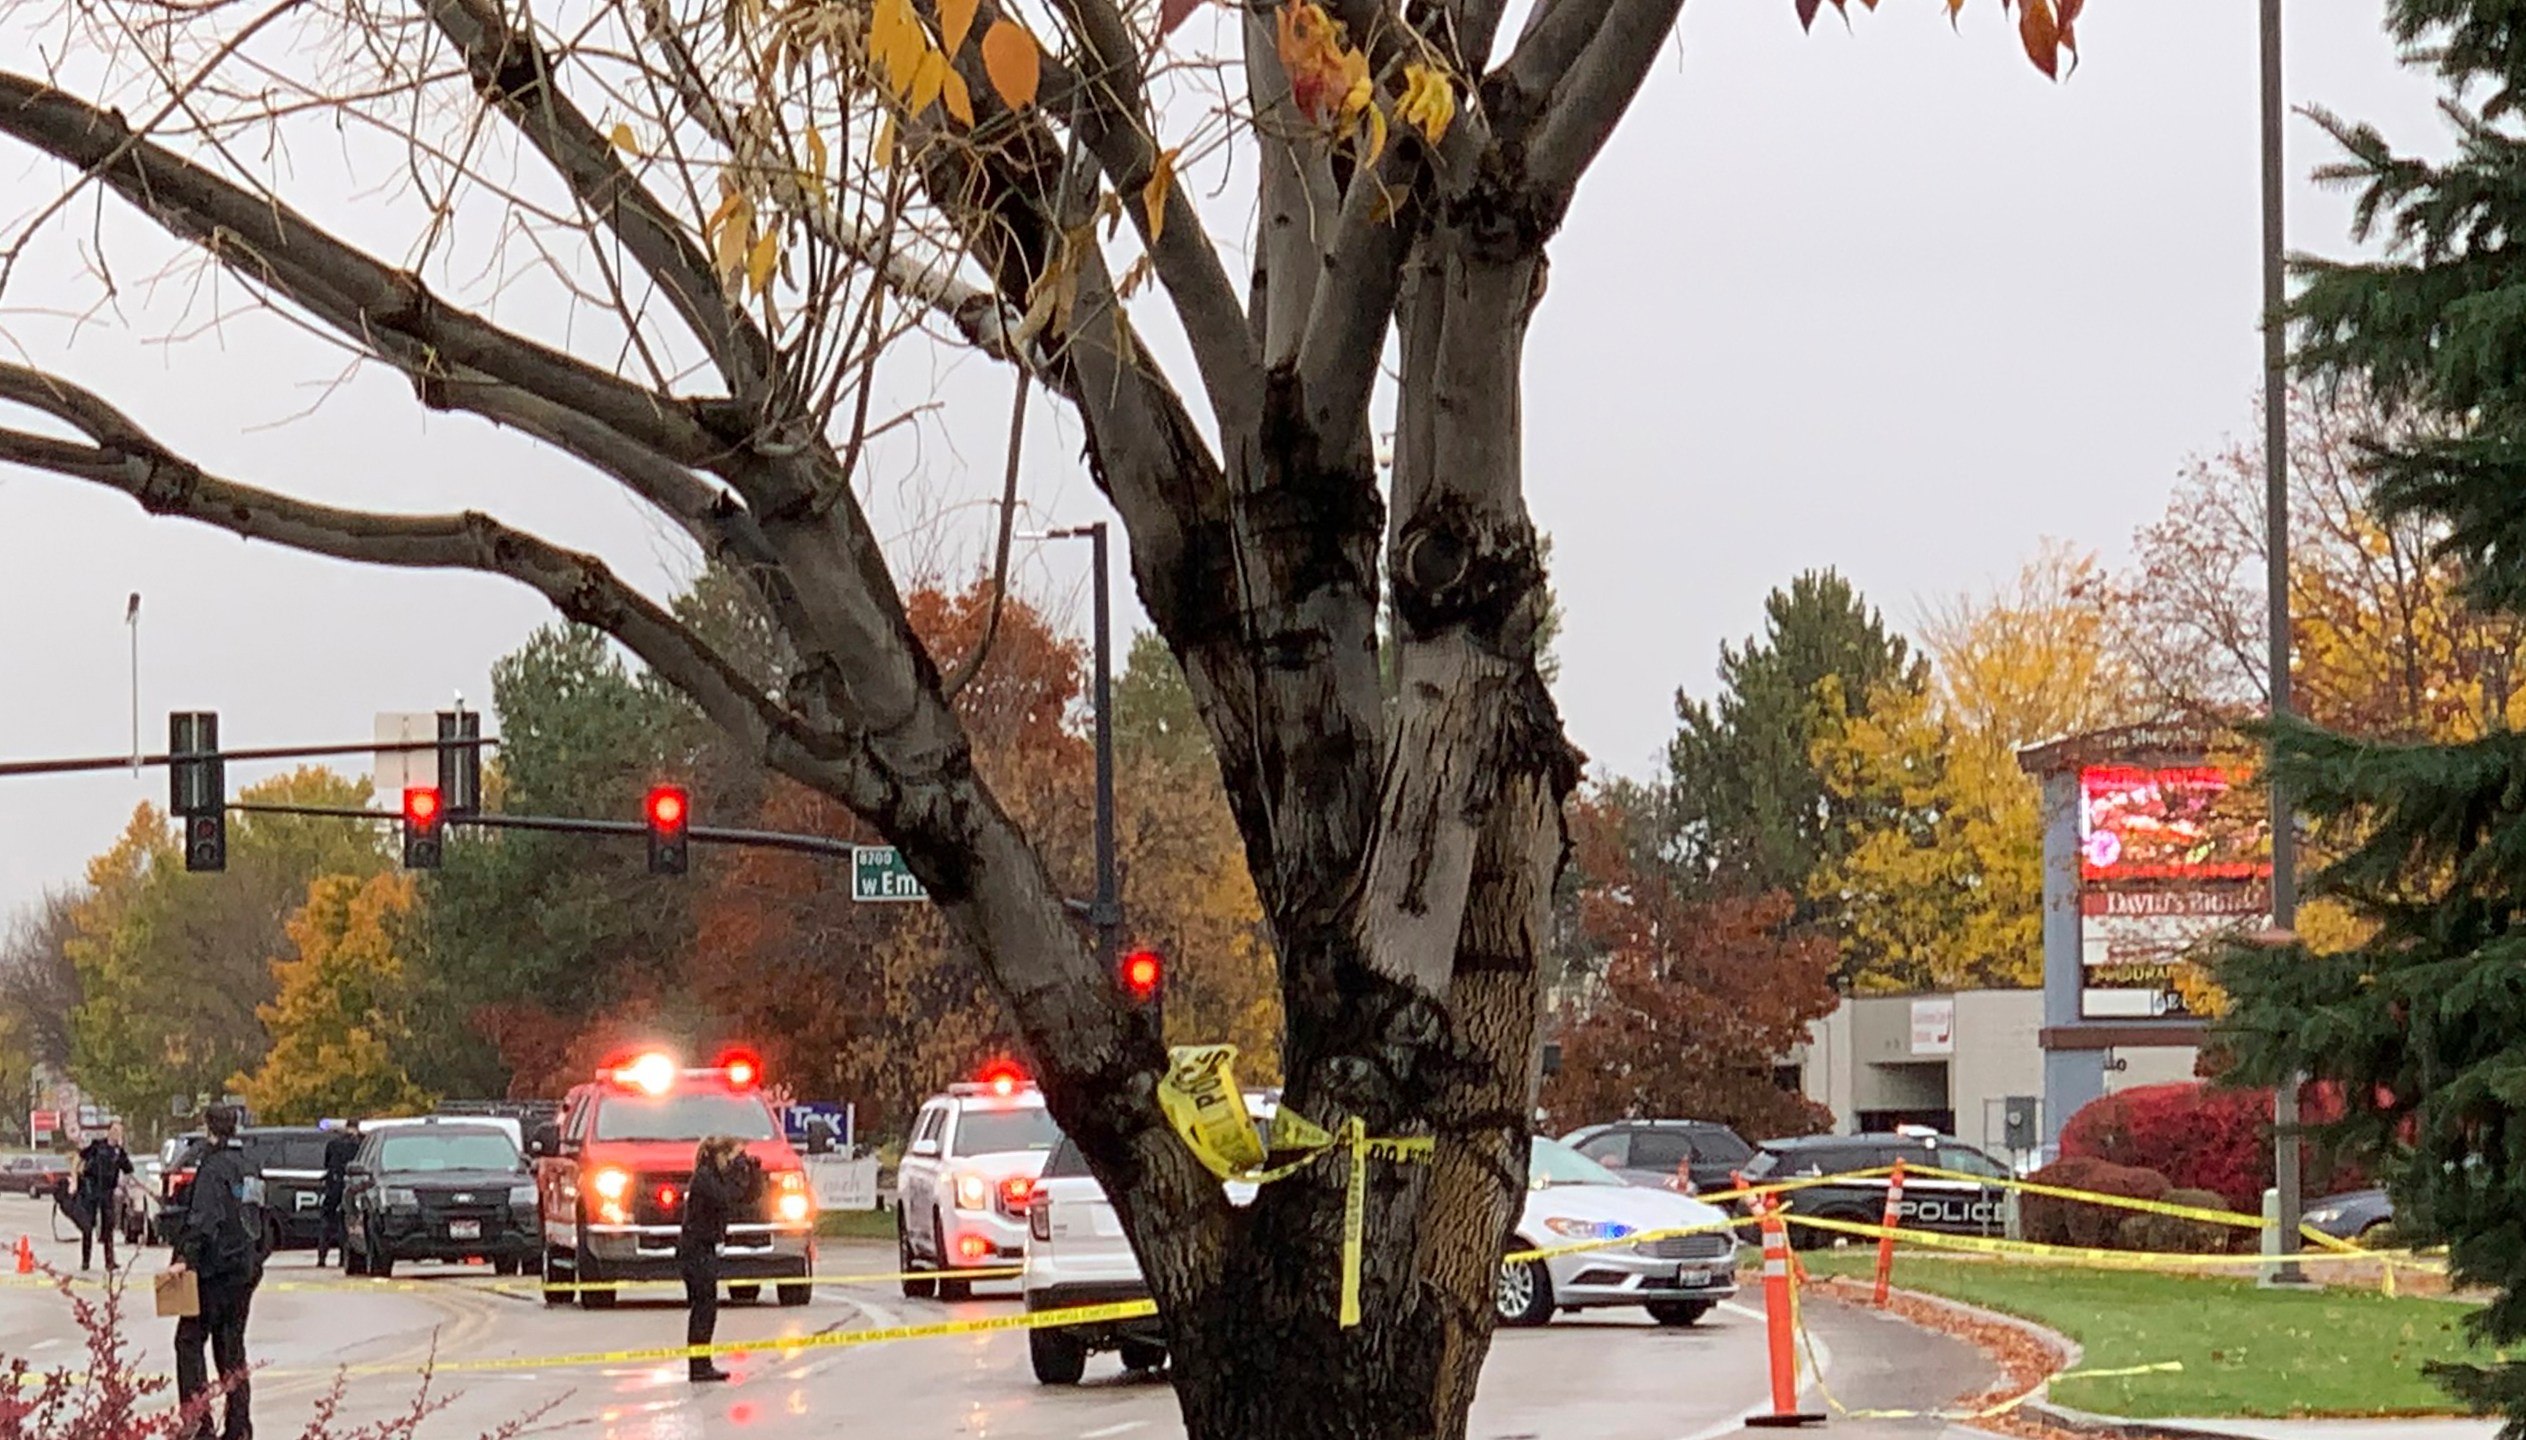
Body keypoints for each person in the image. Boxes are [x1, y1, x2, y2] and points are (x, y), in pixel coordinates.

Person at [170, 1104, 263, 1440]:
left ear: (209, 1128)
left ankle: (198, 1423)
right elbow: (257, 1216)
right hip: (244, 1269)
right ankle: (239, 1426)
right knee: (231, 1347)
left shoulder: (211, 1168)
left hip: (214, 1271)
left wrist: (185, 1258)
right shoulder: (249, 1166)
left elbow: (204, 1221)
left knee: (188, 1342)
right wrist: (255, 1259)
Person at [679, 1135, 762, 1384]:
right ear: (721, 1155)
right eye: (735, 1155)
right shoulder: (704, 1177)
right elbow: (725, 1198)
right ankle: (698, 1365)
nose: (737, 1160)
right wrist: (737, 1172)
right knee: (703, 1308)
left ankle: (703, 1363)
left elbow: (746, 1198)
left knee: (708, 1308)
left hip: (707, 1249)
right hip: (695, 1249)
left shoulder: (716, 1176)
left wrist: (753, 1172)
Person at [76, 1122, 134, 1270]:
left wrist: (121, 1186)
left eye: (119, 1131)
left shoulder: (119, 1152)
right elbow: (80, 1156)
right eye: (114, 1130)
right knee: (88, 1226)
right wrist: (75, 1178)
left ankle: (109, 1261)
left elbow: (128, 1170)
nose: (116, 1134)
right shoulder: (97, 1146)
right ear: (108, 1132)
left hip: (108, 1192)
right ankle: (85, 1261)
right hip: (92, 1189)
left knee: (108, 1227)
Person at [316, 1124, 359, 1268]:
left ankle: (322, 1257)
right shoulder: (358, 1146)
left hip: (333, 1186)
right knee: (346, 1223)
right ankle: (343, 1258)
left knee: (326, 1222)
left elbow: (326, 1164)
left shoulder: (333, 1144)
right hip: (349, 1188)